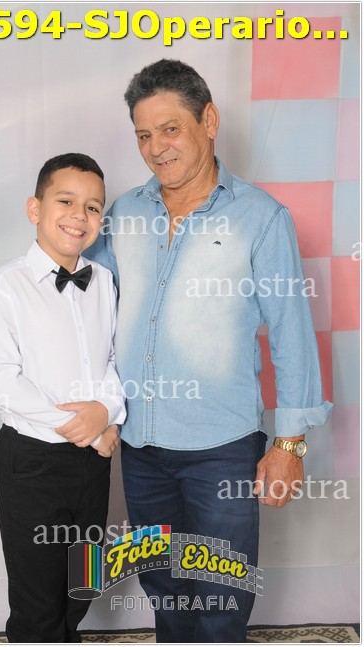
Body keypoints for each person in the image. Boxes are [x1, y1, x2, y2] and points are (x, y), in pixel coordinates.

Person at [84, 60, 333, 643]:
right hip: (140, 449)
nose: (156, 148)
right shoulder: (124, 214)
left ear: (210, 121)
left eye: (170, 129)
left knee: (222, 597)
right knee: (164, 589)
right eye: (143, 135)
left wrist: (290, 444)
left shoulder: (261, 218)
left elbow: (292, 333)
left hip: (222, 452)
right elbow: (85, 307)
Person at [0, 153, 126, 643]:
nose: (79, 216)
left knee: (84, 581)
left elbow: (112, 359)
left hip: (92, 463)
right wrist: (81, 427)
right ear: (35, 209)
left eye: (93, 207)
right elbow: (3, 381)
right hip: (33, 462)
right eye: (66, 201)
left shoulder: (103, 282)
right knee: (37, 594)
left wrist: (107, 414)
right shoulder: (6, 287)